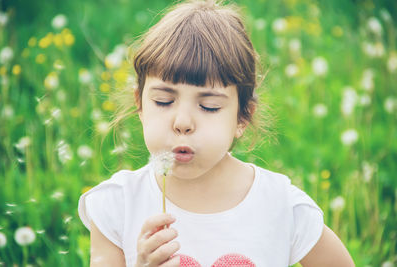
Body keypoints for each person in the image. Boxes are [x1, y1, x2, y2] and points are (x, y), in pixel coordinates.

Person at [78, 0, 355, 266]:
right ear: (140, 104)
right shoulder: (117, 205)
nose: (182, 122)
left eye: (209, 106)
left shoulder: (280, 207)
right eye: (163, 101)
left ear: (243, 116)